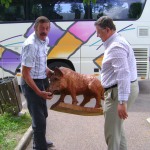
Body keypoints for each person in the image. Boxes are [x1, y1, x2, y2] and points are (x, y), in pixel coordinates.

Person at [95, 16, 139, 150]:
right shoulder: (117, 41)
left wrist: (122, 102)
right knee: (118, 130)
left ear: (107, 30)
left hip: (117, 93)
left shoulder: (116, 46)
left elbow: (123, 74)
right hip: (117, 90)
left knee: (112, 133)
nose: (97, 35)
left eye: (99, 32)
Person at [21, 16, 54, 150]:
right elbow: (25, 73)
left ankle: (40, 141)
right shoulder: (30, 45)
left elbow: (40, 62)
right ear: (35, 28)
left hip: (41, 80)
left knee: (43, 115)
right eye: (41, 28)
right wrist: (38, 92)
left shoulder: (45, 40)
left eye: (47, 28)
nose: (44, 31)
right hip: (31, 84)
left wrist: (49, 71)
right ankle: (39, 147)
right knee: (38, 119)